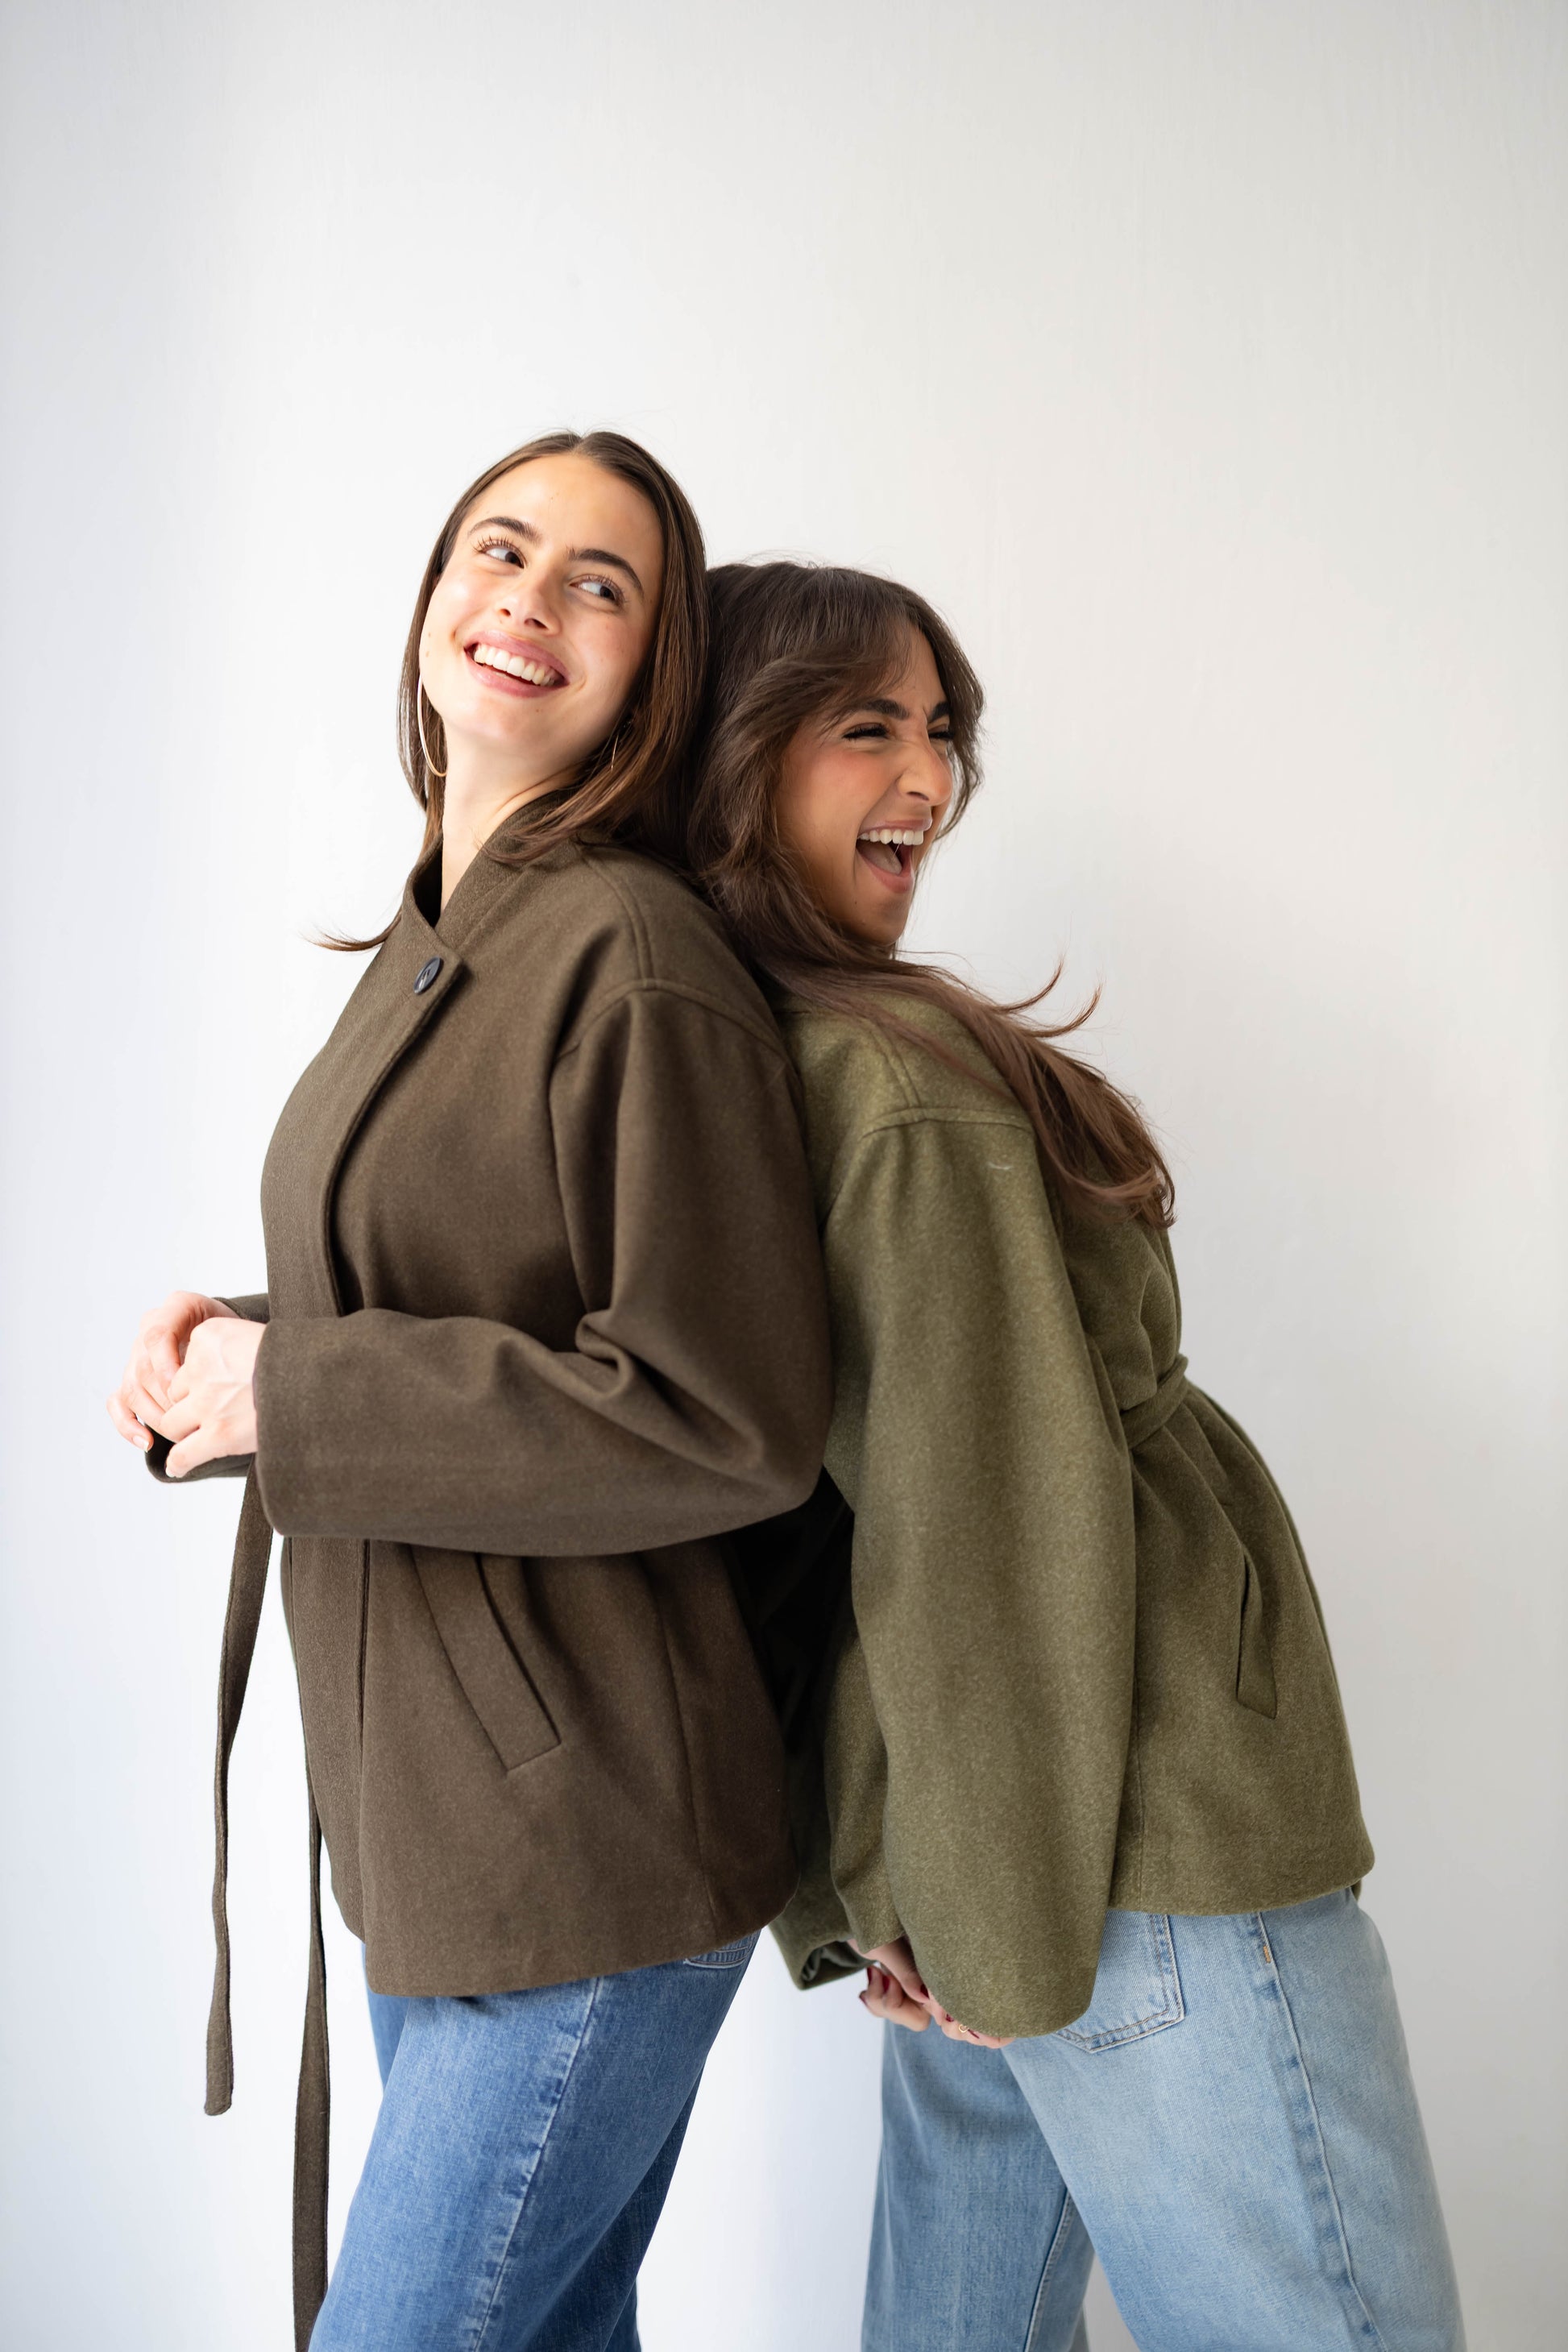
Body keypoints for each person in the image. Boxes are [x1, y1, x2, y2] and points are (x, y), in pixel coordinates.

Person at [684, 559, 1466, 2352]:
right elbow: (973, 1521)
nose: (929, 778)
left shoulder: (792, 1045)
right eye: (865, 726)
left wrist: (923, 1886)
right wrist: (991, 1931)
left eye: (939, 731)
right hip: (1126, 1823)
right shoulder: (891, 1084)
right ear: (736, 750)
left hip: (996, 1838)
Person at [107, 434, 832, 2352]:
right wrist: (233, 1361)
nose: (528, 598)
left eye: (600, 582)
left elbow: (722, 1407)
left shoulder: (631, 950)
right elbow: (469, 1295)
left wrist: (301, 1389)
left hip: (586, 1842)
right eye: (497, 551)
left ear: (654, 665)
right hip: (442, 1837)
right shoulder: (435, 937)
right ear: (434, 599)